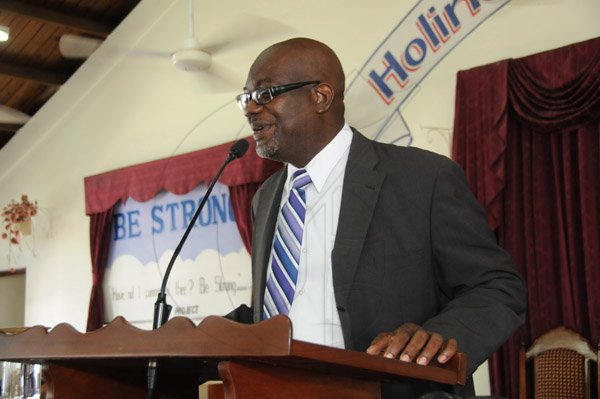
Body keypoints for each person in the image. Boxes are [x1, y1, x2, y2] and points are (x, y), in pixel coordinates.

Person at [227, 37, 526, 398]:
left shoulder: (422, 178)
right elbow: (282, 308)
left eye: (265, 93)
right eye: (246, 98)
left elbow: (497, 286)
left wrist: (443, 335)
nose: (250, 110)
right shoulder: (266, 198)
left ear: (320, 97)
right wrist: (197, 335)